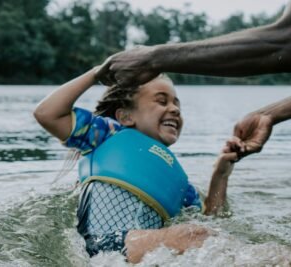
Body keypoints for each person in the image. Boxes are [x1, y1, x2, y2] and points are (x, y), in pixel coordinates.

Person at [94, 0, 291, 230]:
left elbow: (288, 44)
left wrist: (153, 58)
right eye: (160, 100)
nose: (174, 109)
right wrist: (271, 113)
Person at [33, 66, 241, 263]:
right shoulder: (104, 135)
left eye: (177, 104)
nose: (175, 109)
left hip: (138, 254)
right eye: (162, 101)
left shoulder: (180, 182)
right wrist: (97, 73)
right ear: (125, 116)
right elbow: (47, 114)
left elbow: (214, 218)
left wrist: (221, 173)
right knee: (194, 235)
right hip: (102, 247)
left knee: (202, 234)